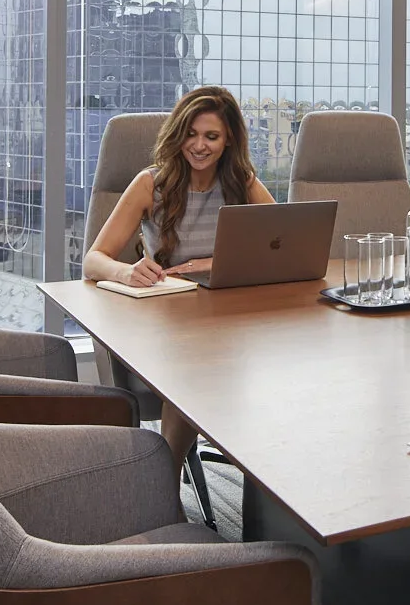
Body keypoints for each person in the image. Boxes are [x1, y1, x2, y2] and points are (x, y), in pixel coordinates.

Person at [83, 86, 274, 482]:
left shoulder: (242, 182)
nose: (199, 146)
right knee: (194, 371)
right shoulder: (149, 184)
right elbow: (93, 259)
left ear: (229, 141)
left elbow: (285, 241)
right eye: (191, 133)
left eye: (212, 137)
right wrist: (127, 270)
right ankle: (163, 485)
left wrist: (213, 261)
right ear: (177, 134)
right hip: (168, 324)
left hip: (228, 320)